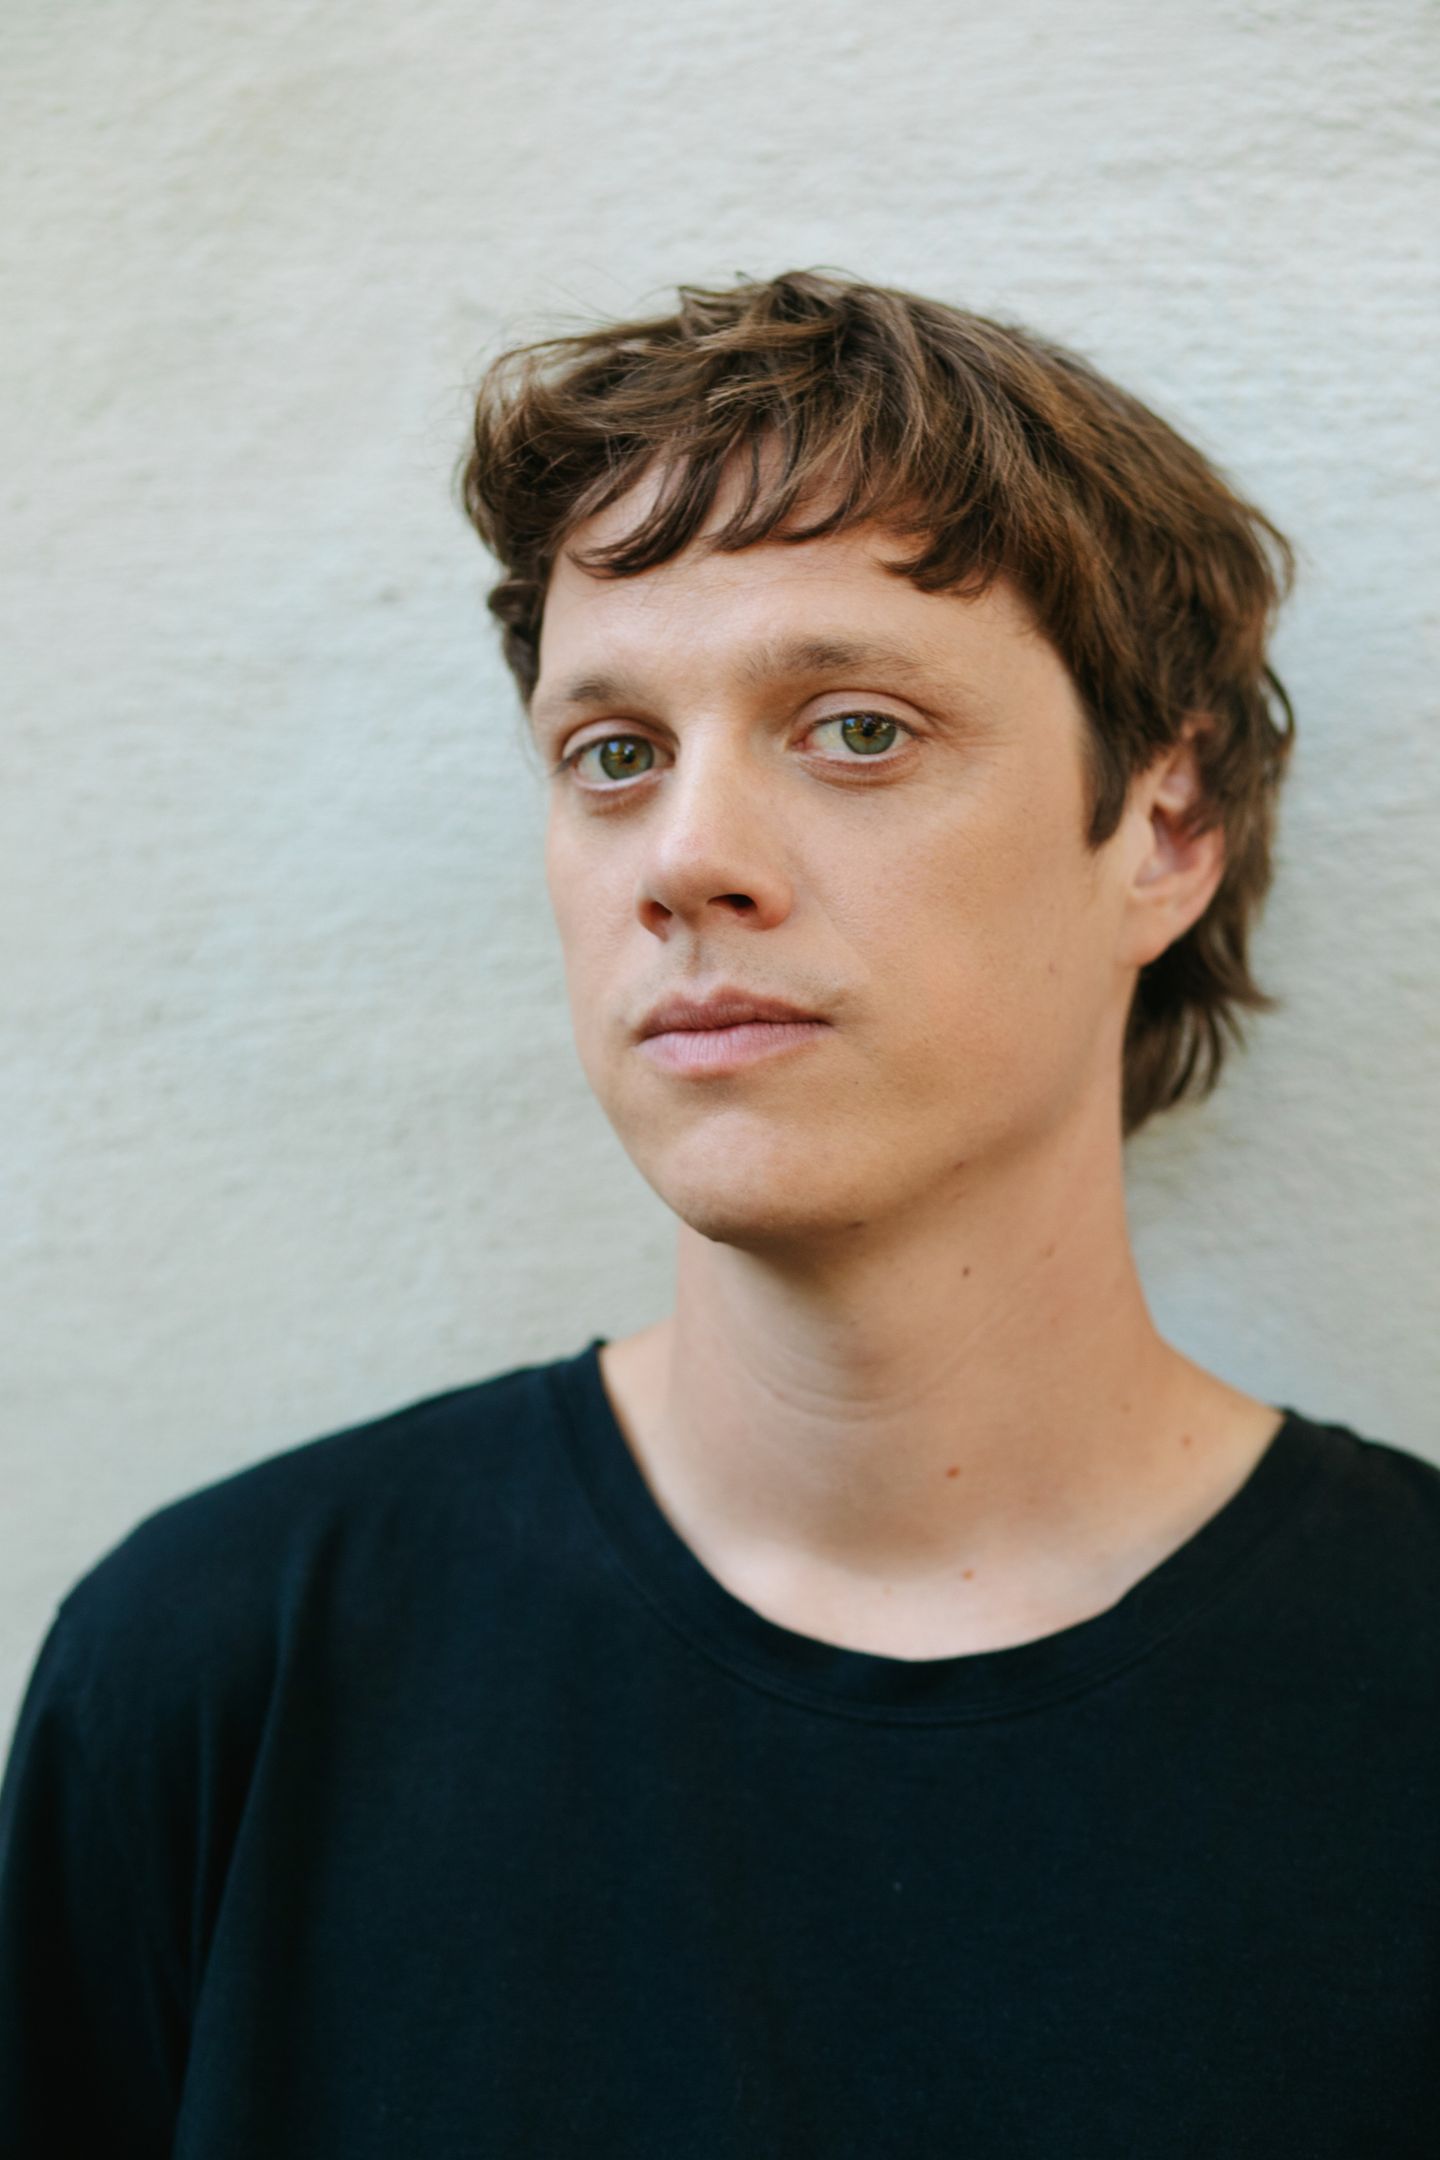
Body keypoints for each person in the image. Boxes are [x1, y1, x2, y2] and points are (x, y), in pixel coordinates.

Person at [1, 268, 1436, 2155]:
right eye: (615, 754)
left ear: (1165, 828)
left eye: (857, 729)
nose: (686, 859)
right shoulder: (221, 1678)